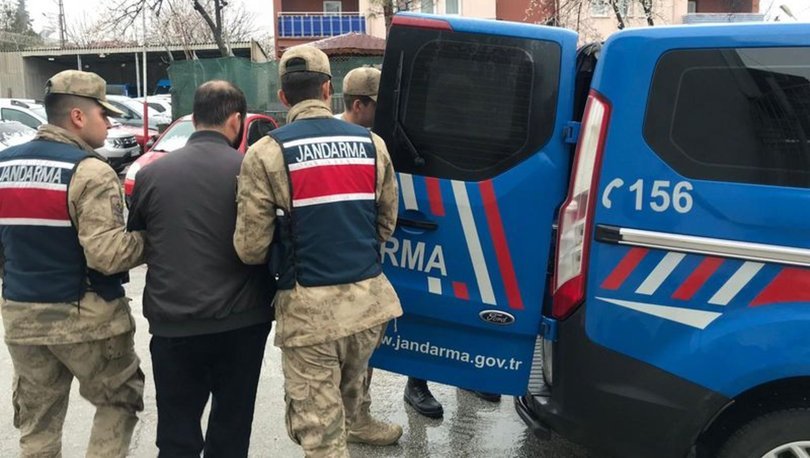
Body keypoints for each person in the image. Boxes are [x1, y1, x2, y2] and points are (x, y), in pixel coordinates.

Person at [234, 46, 403, 458]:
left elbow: (251, 248)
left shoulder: (266, 153)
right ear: (328, 90)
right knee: (348, 400)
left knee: (321, 436)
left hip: (309, 316)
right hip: (369, 308)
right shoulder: (373, 145)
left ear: (283, 96)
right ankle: (357, 424)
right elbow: (386, 224)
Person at [0, 69, 145, 458]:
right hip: (87, 319)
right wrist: (151, 239)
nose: (110, 123)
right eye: (104, 114)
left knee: (37, 425)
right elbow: (108, 255)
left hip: (22, 319)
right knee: (118, 402)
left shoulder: (3, 166)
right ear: (78, 116)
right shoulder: (90, 171)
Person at [127, 80, 274, 457]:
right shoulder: (250, 171)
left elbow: (140, 236)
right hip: (241, 323)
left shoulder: (151, 174)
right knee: (231, 428)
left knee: (177, 432)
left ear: (194, 118)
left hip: (174, 325)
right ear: (236, 120)